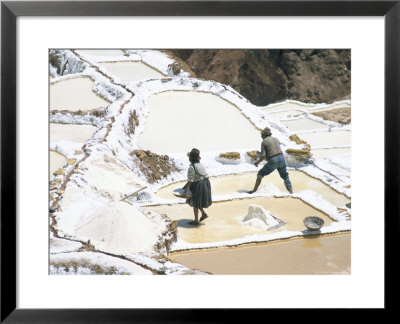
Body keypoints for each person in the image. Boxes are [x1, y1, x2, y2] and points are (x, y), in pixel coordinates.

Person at [248, 127, 293, 194]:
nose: (261, 137)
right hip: (281, 158)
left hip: (273, 160)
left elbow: (263, 156)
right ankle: (291, 192)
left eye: (261, 136)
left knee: (260, 174)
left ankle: (254, 190)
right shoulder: (276, 139)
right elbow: (272, 153)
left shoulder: (264, 142)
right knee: (285, 176)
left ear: (263, 135)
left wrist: (257, 163)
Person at [178, 148, 212, 225]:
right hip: (205, 183)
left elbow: (190, 181)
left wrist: (184, 192)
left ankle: (196, 221)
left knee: (195, 203)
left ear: (190, 158)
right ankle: (203, 214)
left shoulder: (191, 167)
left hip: (199, 185)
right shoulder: (200, 164)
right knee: (198, 201)